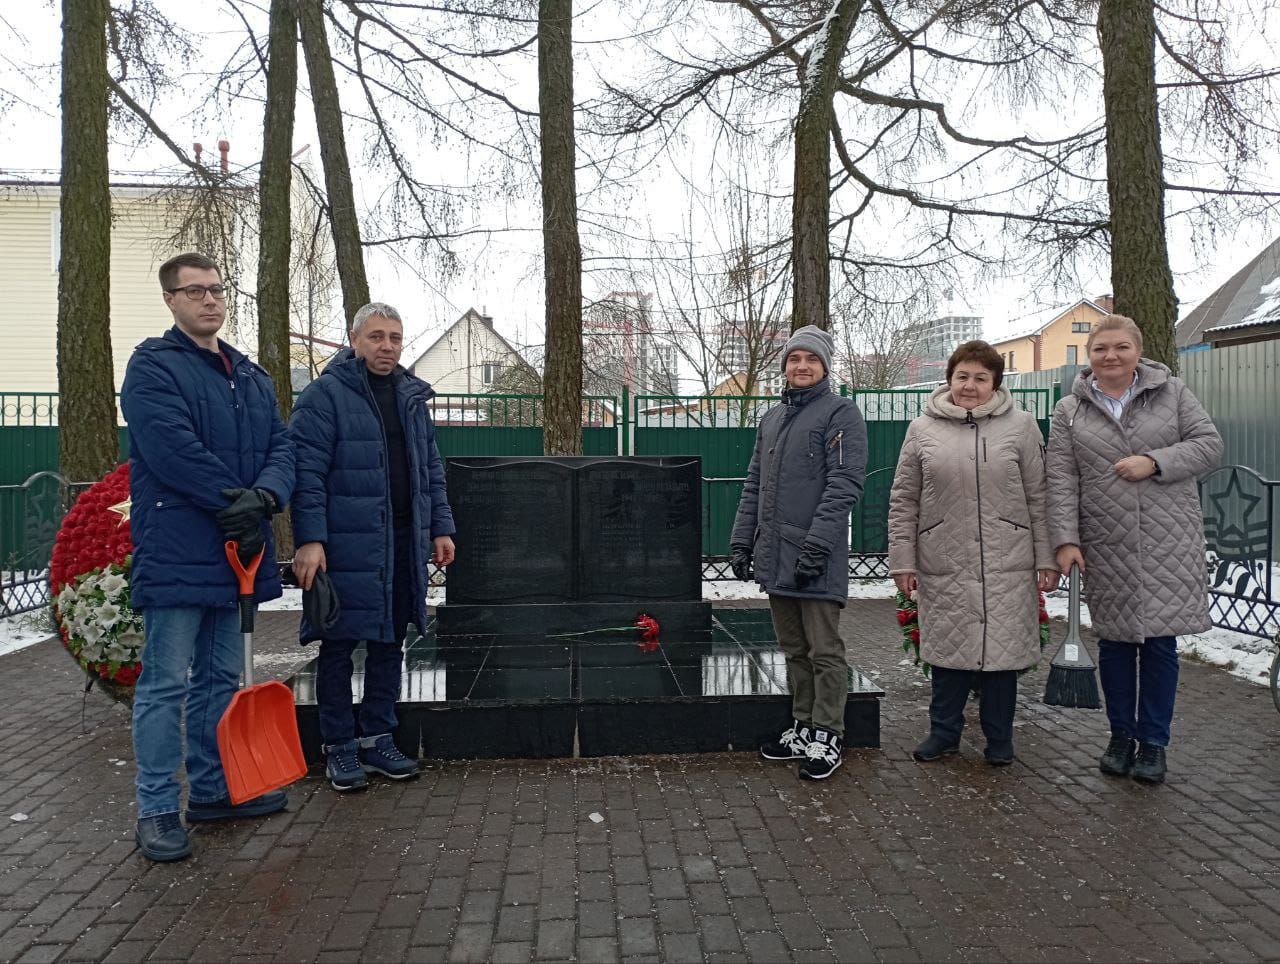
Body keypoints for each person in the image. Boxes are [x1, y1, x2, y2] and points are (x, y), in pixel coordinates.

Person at [120, 252, 295, 862]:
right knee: (166, 684)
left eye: (217, 290)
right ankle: (158, 808)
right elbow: (172, 450)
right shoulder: (153, 368)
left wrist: (266, 497)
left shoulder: (249, 375)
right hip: (179, 549)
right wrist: (238, 503)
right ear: (171, 301)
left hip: (235, 554)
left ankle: (216, 791)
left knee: (221, 679)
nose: (210, 300)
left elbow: (282, 444)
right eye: (195, 291)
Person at [1047, 314, 1221, 784]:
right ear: (1090, 356)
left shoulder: (1173, 394)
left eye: (1120, 347)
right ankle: (1121, 736)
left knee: (1162, 644)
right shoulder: (1070, 410)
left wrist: (1155, 461)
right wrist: (1065, 540)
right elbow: (1060, 479)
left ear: (1137, 351)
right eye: (1101, 348)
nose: (1111, 356)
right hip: (1105, 540)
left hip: (1168, 539)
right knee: (1117, 643)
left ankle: (1155, 743)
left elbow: (1209, 445)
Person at [290, 302, 456, 792]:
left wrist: (440, 529)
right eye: (377, 337)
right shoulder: (324, 397)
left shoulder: (411, 397)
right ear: (355, 339)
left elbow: (431, 471)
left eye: (395, 338)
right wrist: (311, 540)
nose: (387, 346)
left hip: (402, 543)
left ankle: (379, 737)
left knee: (390, 642)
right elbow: (307, 478)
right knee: (338, 647)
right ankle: (339, 746)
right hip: (346, 545)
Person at [887, 341, 1057, 766]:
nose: (970, 385)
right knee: (949, 656)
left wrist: (1046, 558)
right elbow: (904, 499)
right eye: (963, 376)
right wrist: (903, 560)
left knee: (1001, 659)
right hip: (944, 558)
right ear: (949, 379)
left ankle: (1000, 740)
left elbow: (1041, 496)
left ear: (995, 383)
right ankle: (943, 733)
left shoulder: (1021, 426)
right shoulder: (922, 429)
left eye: (981, 378)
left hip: (1007, 560)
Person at [729, 325, 867, 780]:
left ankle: (829, 733)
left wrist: (818, 545)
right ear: (784, 366)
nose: (801, 367)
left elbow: (844, 485)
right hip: (776, 553)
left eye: (811, 359)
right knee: (792, 648)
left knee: (824, 649)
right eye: (794, 359)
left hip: (815, 555)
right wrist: (741, 539)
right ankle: (804, 724)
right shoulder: (771, 419)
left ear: (825, 366)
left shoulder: (841, 414)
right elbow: (755, 485)